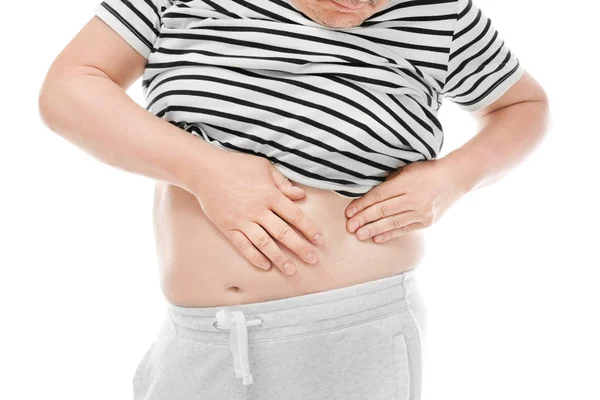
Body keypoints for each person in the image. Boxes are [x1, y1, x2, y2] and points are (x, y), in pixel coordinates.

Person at [38, 0, 549, 398]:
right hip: (197, 342)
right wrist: (204, 170)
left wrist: (452, 177)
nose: (358, 5)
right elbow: (69, 88)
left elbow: (524, 106)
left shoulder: (443, 18)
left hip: (351, 339)